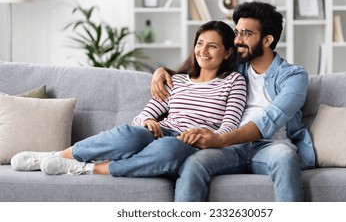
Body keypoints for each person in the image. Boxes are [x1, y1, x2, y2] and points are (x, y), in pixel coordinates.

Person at [11, 20, 247, 178]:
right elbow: (144, 114)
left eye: (212, 46)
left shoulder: (233, 81)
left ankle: (89, 168)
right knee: (130, 134)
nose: (203, 51)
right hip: (162, 132)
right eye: (199, 43)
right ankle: (57, 155)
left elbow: (229, 127)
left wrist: (206, 137)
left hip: (190, 143)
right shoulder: (179, 80)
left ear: (227, 52)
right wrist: (146, 123)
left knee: (169, 149)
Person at [151, 2, 315, 201]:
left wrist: (219, 140)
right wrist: (163, 72)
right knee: (194, 163)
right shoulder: (235, 68)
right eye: (236, 32)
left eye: (246, 33)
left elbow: (270, 120)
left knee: (286, 158)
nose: (237, 40)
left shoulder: (294, 76)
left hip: (270, 146)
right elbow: (198, 73)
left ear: (267, 40)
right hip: (231, 149)